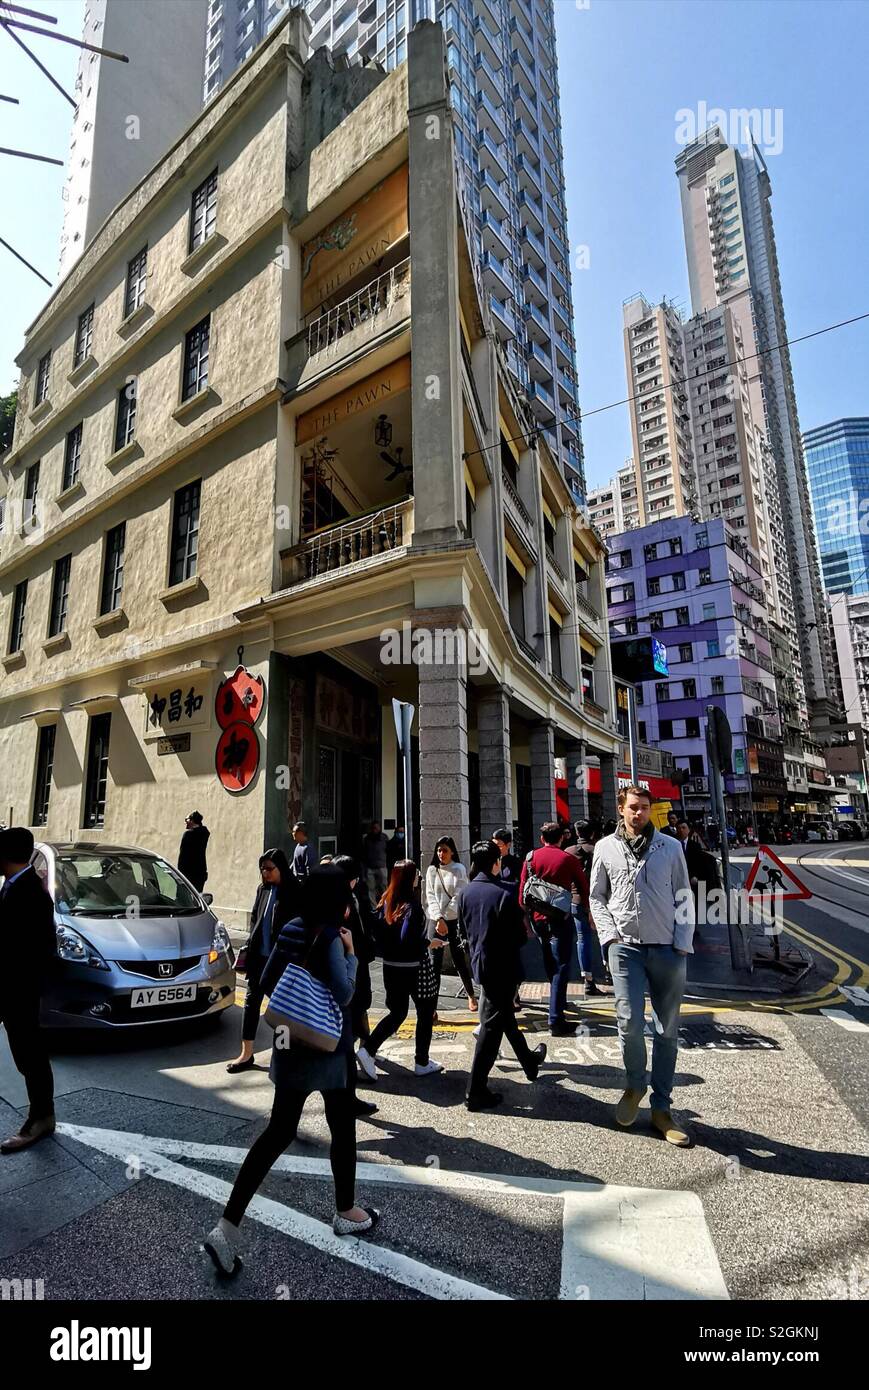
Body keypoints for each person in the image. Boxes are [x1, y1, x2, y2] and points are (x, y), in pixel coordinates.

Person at [203, 867, 378, 1273]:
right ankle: (345, 1210)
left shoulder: (292, 927)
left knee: (276, 1133)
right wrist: (350, 957)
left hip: (289, 1043)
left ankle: (226, 1227)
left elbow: (265, 978)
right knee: (342, 1127)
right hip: (328, 1049)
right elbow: (346, 993)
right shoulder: (334, 936)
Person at [589, 785, 694, 1147]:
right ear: (621, 808)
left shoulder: (671, 847)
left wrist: (682, 942)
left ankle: (662, 1109)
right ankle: (635, 1084)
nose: (640, 814)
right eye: (633, 807)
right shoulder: (605, 848)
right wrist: (610, 937)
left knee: (666, 1030)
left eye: (645, 808)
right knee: (630, 1021)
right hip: (625, 949)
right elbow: (596, 896)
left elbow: (684, 894)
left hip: (667, 949)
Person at [460, 841, 547, 1111]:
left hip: (481, 965)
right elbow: (519, 936)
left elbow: (463, 930)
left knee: (502, 1017)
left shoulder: (465, 892)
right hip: (504, 968)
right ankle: (475, 1090)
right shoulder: (505, 894)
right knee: (491, 1027)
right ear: (496, 862)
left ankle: (529, 1062)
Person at [356, 860, 444, 1081]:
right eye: (415, 874)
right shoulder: (411, 906)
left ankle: (368, 1049)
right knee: (425, 1011)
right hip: (414, 968)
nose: (418, 877)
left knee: (397, 1012)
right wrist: (428, 944)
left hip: (390, 966)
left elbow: (380, 932)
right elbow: (408, 938)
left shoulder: (386, 899)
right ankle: (421, 1061)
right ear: (409, 878)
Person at [0, 827, 58, 1153]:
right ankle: (42, 1116)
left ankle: (41, 1118)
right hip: (11, 990)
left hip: (18, 992)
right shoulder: (14, 886)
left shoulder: (31, 894)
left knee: (30, 1056)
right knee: (27, 1055)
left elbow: (37, 951)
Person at [226, 849, 297, 1074]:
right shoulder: (263, 889)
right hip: (259, 957)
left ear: (281, 868)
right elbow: (256, 919)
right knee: (251, 1001)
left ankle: (283, 1055)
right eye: (262, 869)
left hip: (282, 959)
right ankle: (246, 1054)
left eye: (269, 869)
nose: (265, 873)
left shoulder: (294, 890)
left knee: (283, 1009)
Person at [519, 822, 588, 1036]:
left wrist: (528, 918)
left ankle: (558, 1001)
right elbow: (583, 887)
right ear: (561, 838)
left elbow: (522, 894)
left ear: (542, 839)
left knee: (550, 961)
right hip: (560, 918)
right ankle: (556, 1019)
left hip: (538, 919)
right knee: (562, 965)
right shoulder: (567, 859)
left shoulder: (530, 858)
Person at [333, 854, 378, 1119]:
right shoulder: (336, 904)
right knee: (344, 1037)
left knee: (356, 1016)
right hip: (345, 973)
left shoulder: (353, 897)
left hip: (356, 967)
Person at [425, 837, 475, 1011]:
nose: (441, 854)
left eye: (445, 850)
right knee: (433, 962)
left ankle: (470, 994)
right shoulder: (432, 869)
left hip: (453, 921)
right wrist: (438, 918)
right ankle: (432, 1005)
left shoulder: (458, 869)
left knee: (459, 958)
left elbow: (459, 895)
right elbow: (430, 895)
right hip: (435, 920)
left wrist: (445, 919)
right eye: (439, 850)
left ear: (452, 851)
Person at [564, 821, 602, 997]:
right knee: (605, 935)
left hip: (574, 900)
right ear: (593, 833)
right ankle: (609, 969)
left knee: (582, 939)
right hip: (599, 900)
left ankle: (587, 978)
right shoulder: (599, 850)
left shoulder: (568, 852)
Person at [178, 811, 210, 892]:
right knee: (197, 896)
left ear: (192, 821)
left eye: (186, 820)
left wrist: (179, 873)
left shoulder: (188, 835)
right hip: (200, 872)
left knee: (184, 897)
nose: (185, 822)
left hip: (187, 872)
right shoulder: (204, 833)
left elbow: (182, 856)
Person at [361, 822, 389, 903]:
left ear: (380, 828)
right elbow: (363, 854)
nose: (375, 830)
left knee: (384, 888)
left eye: (377, 828)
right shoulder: (366, 839)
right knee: (371, 889)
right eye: (373, 828)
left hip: (382, 866)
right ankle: (374, 908)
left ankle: (385, 906)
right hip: (370, 867)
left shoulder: (384, 838)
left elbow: (389, 851)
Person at [492, 827, 522, 897]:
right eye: (493, 845)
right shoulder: (489, 862)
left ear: (508, 845)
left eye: (499, 845)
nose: (495, 848)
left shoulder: (516, 863)